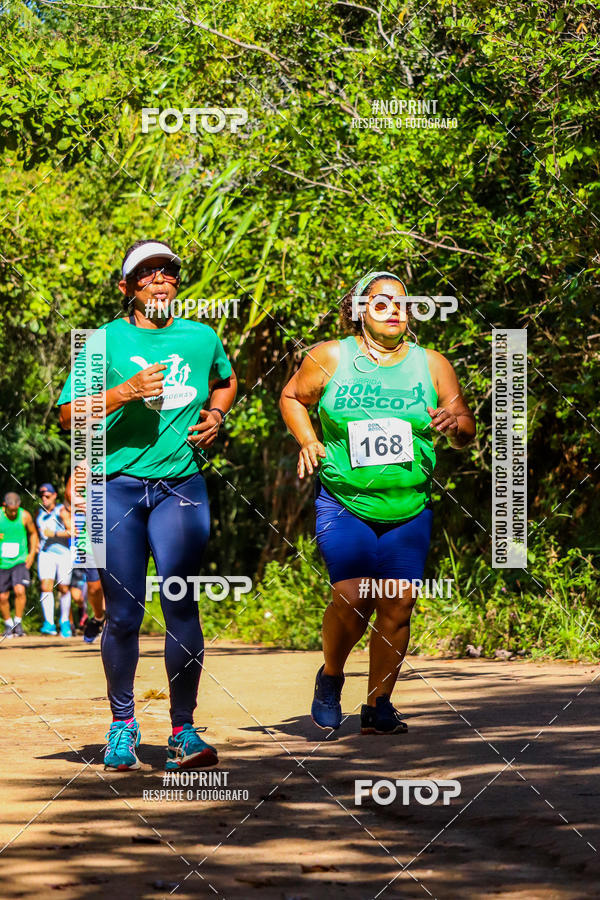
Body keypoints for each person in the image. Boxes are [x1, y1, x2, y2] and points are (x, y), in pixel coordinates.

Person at [58, 239, 237, 771]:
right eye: (146, 275)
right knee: (125, 613)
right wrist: (125, 391)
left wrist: (218, 416)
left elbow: (224, 382)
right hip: (116, 486)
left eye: (168, 273)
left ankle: (183, 732)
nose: (160, 281)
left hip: (181, 484)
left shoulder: (202, 336)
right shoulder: (102, 342)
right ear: (127, 289)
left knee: (181, 600)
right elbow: (69, 415)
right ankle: (122, 725)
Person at [280, 271, 476, 734]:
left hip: (408, 504)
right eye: (382, 303)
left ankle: (378, 705)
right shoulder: (330, 356)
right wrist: (308, 440)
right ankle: (330, 677)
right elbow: (291, 396)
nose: (394, 311)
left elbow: (466, 428)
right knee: (353, 595)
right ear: (360, 310)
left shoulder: (432, 364)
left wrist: (456, 424)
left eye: (403, 304)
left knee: (398, 602)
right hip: (345, 499)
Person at [64, 475, 105, 643]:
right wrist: (88, 506)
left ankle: (114, 624)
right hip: (91, 542)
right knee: (94, 588)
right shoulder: (90, 464)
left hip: (120, 539)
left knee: (116, 588)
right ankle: (98, 617)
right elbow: (70, 492)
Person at [36, 483, 73, 637]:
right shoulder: (39, 513)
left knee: (63, 588)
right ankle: (49, 623)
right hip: (45, 554)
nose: (44, 498)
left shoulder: (62, 511)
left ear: (54, 496)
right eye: (42, 496)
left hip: (63, 553)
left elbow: (72, 531)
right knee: (46, 586)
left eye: (47, 496)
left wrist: (54, 534)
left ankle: (64, 621)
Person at [0, 492, 38, 637]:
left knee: (20, 590)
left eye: (16, 508)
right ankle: (8, 623)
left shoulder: (24, 516)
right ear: (5, 506)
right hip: (2, 562)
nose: (14, 512)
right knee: (2, 597)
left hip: (19, 560)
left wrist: (31, 554)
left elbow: (33, 533)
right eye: (11, 509)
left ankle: (18, 621)